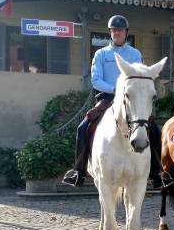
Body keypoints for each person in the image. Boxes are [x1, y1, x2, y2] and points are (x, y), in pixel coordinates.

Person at [62, 15, 162, 187]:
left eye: (120, 30)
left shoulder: (135, 54)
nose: (117, 33)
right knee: (83, 127)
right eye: (114, 30)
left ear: (126, 33)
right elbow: (96, 80)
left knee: (154, 129)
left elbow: (141, 78)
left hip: (132, 99)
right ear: (110, 32)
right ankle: (78, 171)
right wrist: (115, 90)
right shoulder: (101, 54)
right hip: (107, 97)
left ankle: (157, 172)